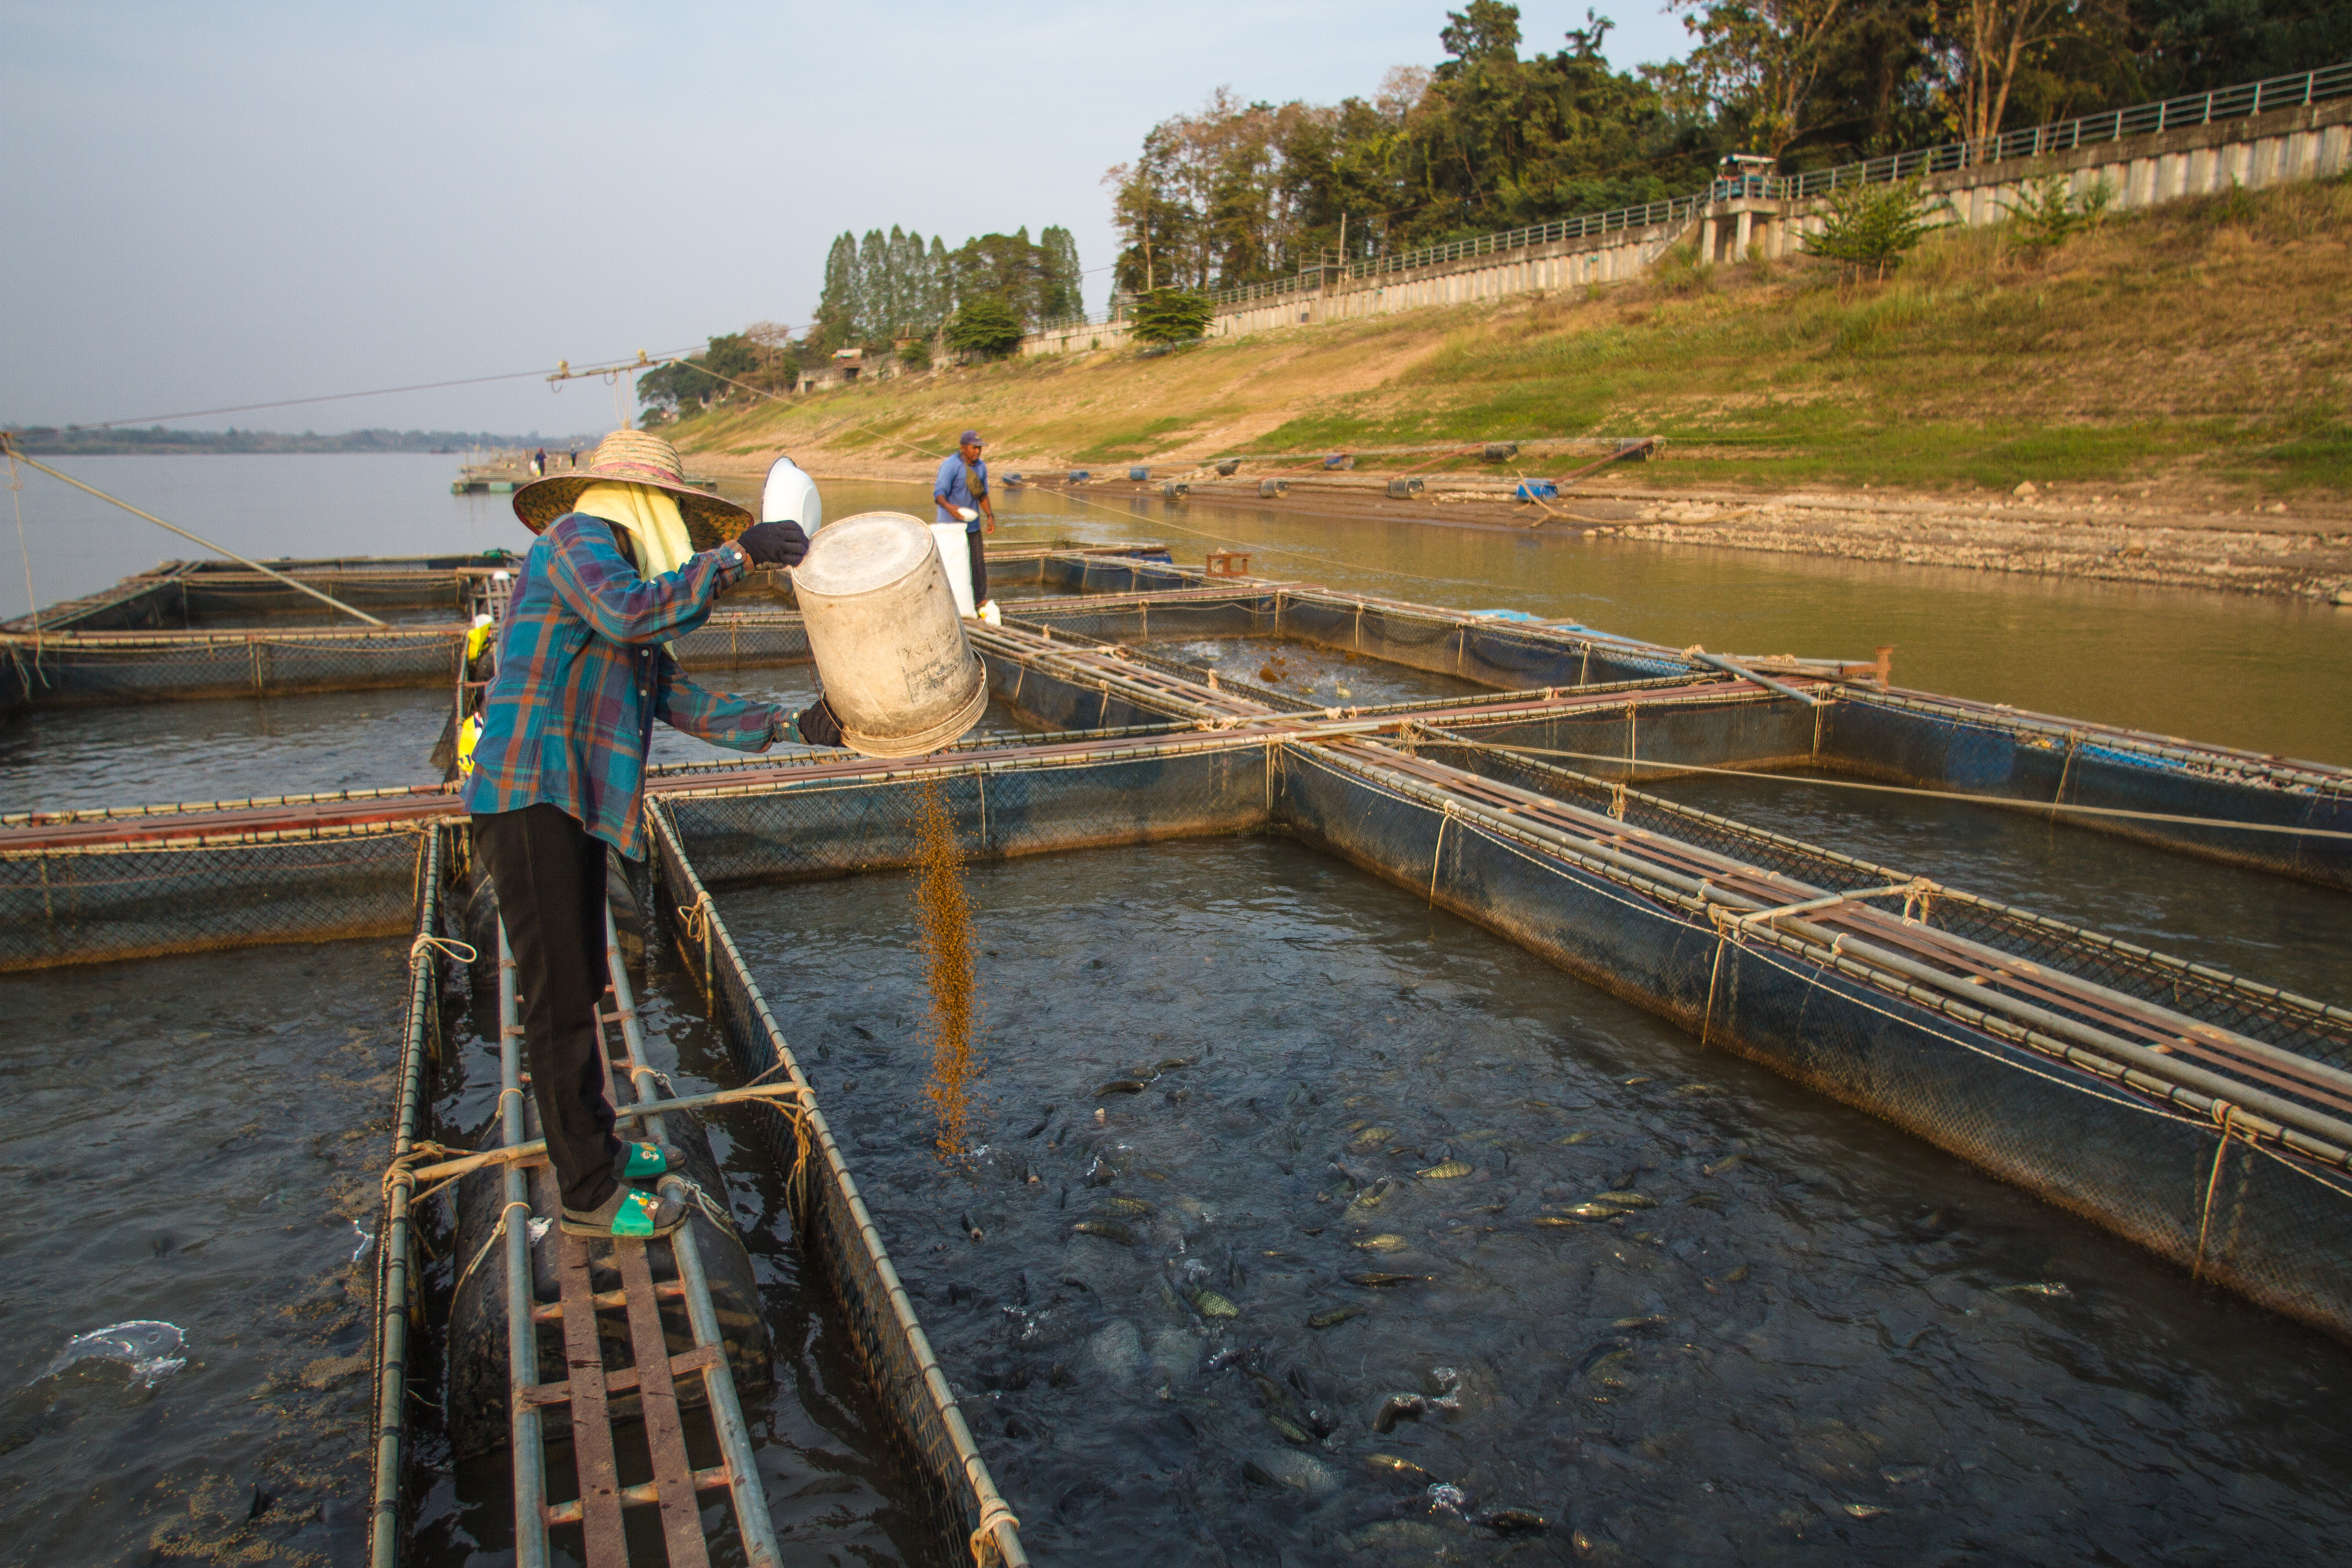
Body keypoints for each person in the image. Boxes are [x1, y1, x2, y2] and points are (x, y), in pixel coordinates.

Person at [464, 429, 842, 1239]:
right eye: (674, 511)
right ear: (646, 503)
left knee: (586, 979)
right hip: (529, 796)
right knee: (559, 999)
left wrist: (792, 725)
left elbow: (677, 696)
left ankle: (595, 1142)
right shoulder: (578, 542)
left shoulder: (622, 572)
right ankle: (588, 1195)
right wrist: (739, 556)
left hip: (574, 801)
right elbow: (627, 612)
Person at [932, 429, 995, 615]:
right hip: (951, 527)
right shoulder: (951, 466)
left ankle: (980, 602)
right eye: (974, 448)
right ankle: (949, 603)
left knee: (977, 564)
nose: (978, 451)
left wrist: (990, 516)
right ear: (963, 448)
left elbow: (982, 495)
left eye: (980, 448)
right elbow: (939, 495)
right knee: (953, 566)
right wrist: (951, 508)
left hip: (972, 525)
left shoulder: (981, 467)